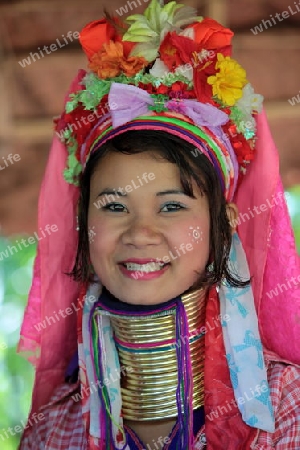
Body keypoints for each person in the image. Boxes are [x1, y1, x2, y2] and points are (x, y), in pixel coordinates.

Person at [18, 0, 300, 448]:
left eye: (171, 206)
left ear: (223, 224)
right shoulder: (53, 431)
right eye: (113, 206)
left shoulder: (288, 408)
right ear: (81, 222)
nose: (139, 234)